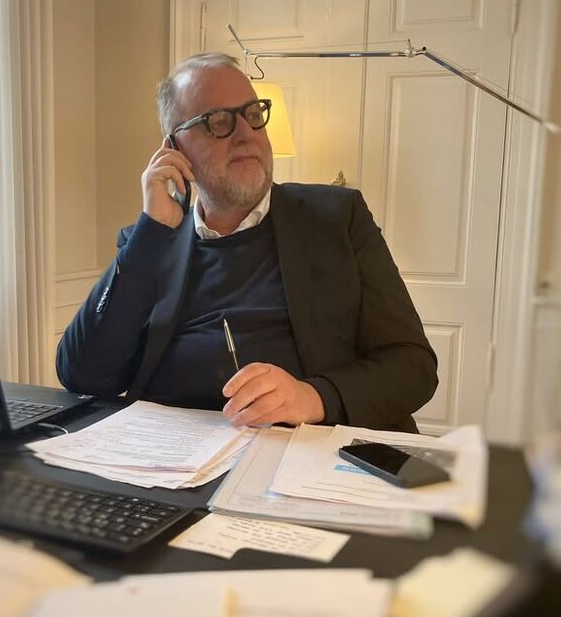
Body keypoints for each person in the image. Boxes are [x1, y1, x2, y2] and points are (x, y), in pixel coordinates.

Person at [57, 53, 437, 432]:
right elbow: (84, 375)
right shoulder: (152, 243)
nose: (246, 134)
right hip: (173, 456)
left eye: (253, 114)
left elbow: (412, 365)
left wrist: (314, 397)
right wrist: (151, 234)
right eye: (218, 121)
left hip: (308, 451)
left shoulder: (337, 217)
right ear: (174, 148)